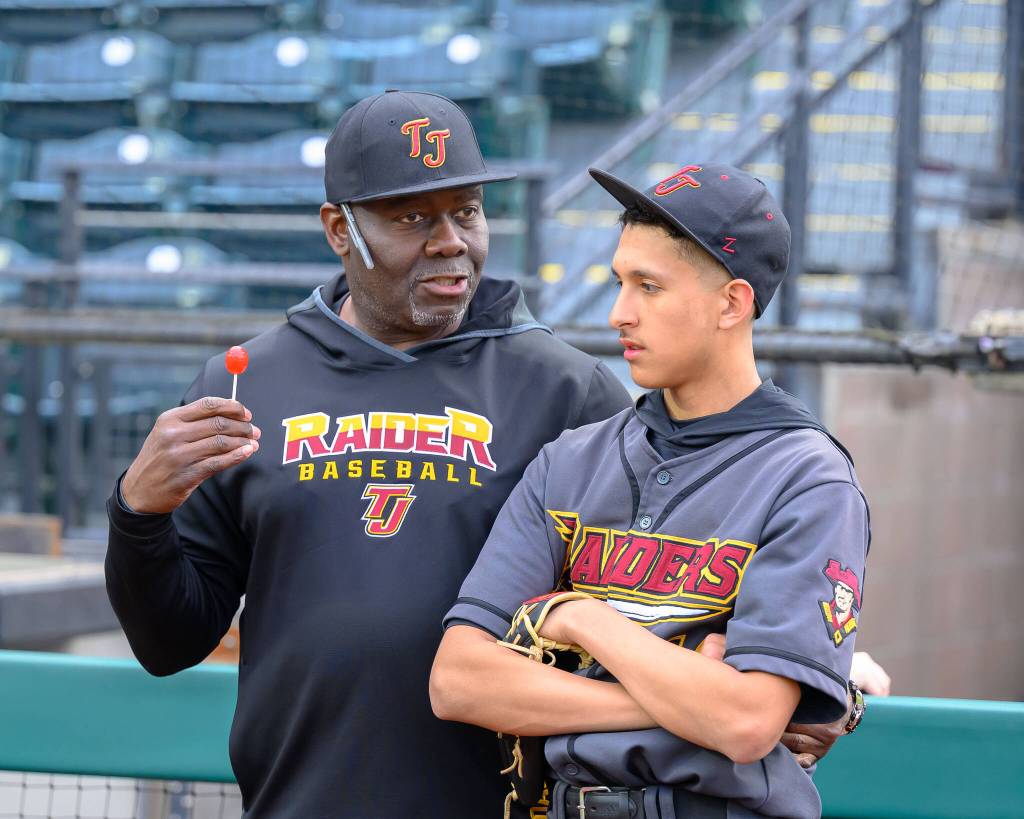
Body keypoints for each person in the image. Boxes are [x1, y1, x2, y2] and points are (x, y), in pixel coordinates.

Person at [104, 90, 633, 818]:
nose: (450, 241)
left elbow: (642, 619)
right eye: (412, 218)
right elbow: (170, 642)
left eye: (467, 211)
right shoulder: (247, 383)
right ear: (339, 229)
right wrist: (138, 512)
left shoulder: (568, 391)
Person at [431, 163, 871, 819]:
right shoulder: (570, 460)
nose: (619, 313)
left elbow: (746, 722)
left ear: (732, 304)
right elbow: (459, 681)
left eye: (649, 286)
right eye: (620, 282)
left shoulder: (809, 478)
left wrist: (581, 617)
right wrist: (690, 698)